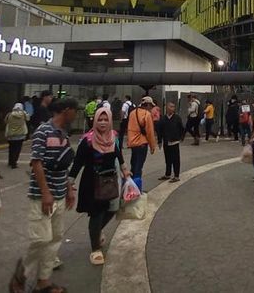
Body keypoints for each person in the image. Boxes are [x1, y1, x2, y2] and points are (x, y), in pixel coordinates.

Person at [11, 98, 78, 293]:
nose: (76, 115)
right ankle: (20, 275)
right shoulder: (42, 131)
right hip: (42, 196)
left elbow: (63, 165)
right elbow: (36, 163)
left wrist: (68, 189)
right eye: (75, 111)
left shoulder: (63, 134)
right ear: (66, 110)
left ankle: (44, 281)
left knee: (55, 238)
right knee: (41, 239)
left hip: (58, 193)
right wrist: (46, 192)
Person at [68, 108, 131, 266]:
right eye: (100, 120)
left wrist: (125, 171)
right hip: (92, 182)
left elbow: (118, 155)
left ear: (110, 121)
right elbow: (78, 163)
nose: (102, 123)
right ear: (95, 121)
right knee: (97, 213)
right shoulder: (87, 140)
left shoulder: (113, 137)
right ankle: (95, 249)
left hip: (109, 180)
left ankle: (96, 231)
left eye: (105, 120)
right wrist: (70, 181)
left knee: (113, 209)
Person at [127, 96, 157, 190]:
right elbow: (150, 132)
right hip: (142, 144)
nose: (151, 108)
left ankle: (130, 188)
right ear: (147, 105)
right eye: (151, 106)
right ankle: (137, 189)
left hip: (132, 144)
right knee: (138, 168)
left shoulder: (132, 113)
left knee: (133, 166)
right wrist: (153, 146)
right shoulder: (146, 114)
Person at [157, 101, 184, 182]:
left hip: (174, 141)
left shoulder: (177, 118)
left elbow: (181, 129)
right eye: (170, 106)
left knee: (176, 159)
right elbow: (159, 130)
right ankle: (167, 174)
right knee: (168, 159)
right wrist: (159, 141)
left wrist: (180, 137)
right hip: (166, 142)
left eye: (173, 107)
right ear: (167, 108)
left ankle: (176, 176)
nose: (171, 108)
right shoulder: (163, 118)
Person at [4, 103, 29, 169]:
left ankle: (10, 161)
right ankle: (14, 163)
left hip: (11, 135)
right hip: (20, 135)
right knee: (17, 149)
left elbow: (5, 121)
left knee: (11, 148)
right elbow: (28, 119)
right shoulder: (23, 114)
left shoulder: (9, 114)